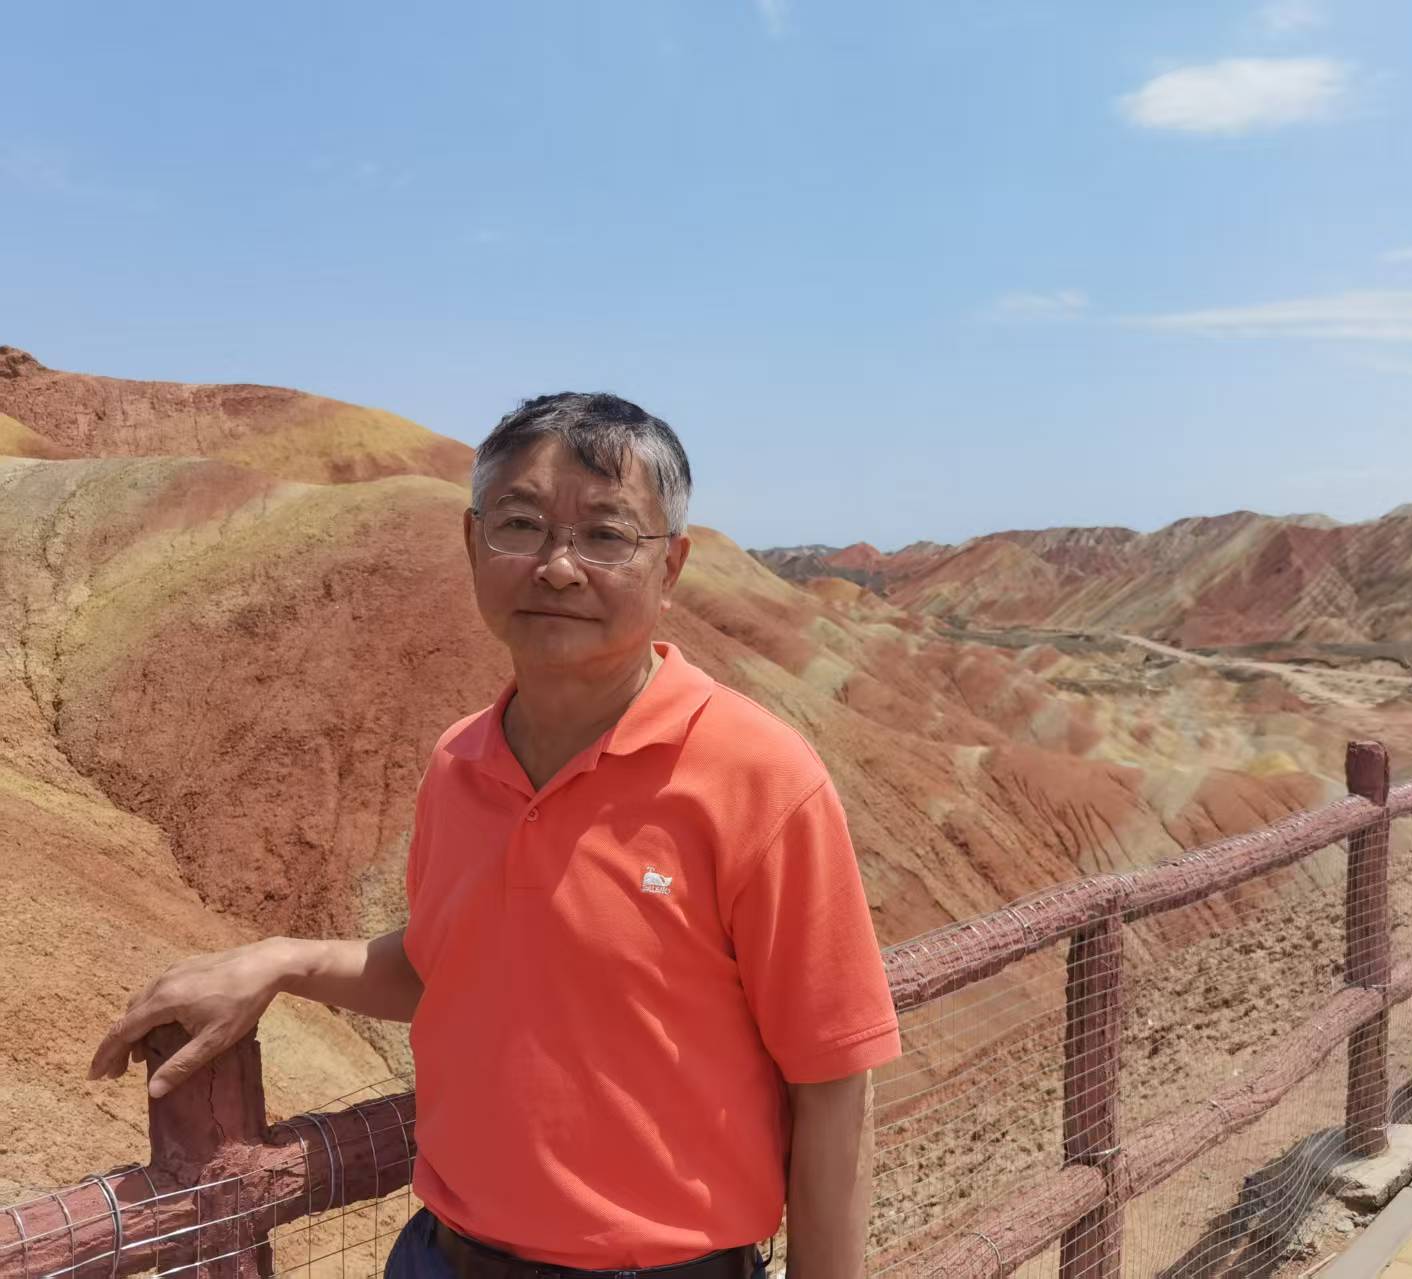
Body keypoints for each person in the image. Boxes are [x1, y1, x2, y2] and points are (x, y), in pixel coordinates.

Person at [88, 392, 902, 1279]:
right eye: (522, 525)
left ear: (669, 566)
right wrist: (281, 961)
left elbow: (833, 1081)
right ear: (474, 545)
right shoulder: (459, 763)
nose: (558, 566)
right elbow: (449, 966)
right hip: (442, 1256)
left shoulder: (759, 776)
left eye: (605, 535)